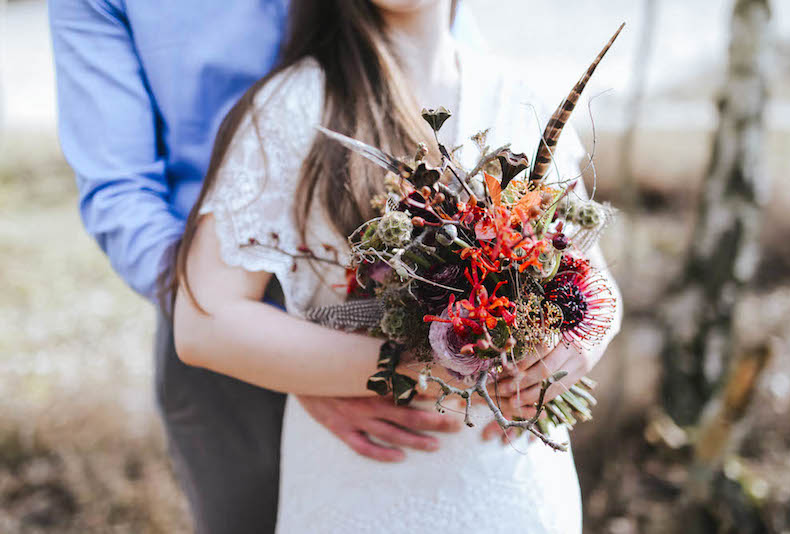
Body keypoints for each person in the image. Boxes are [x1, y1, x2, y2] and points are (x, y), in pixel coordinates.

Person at [171, 0, 621, 532]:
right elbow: (204, 323)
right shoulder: (295, 105)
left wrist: (576, 349)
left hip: (517, 488)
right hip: (370, 484)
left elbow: (595, 280)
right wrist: (409, 365)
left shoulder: (518, 96)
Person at [49, 1, 485, 532]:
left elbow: (439, 65)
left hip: (401, 291)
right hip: (219, 322)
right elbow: (119, 189)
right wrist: (262, 341)